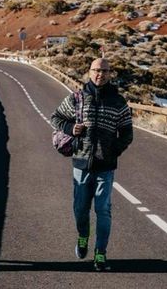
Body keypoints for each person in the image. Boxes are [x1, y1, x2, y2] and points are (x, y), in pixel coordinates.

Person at [51, 58, 133, 271]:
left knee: (103, 210)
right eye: (96, 70)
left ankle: (100, 253)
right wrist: (70, 128)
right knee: (80, 209)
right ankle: (83, 235)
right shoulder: (77, 99)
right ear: (89, 72)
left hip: (105, 166)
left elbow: (127, 132)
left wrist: (115, 149)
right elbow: (56, 117)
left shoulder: (118, 102)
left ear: (110, 74)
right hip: (81, 163)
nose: (100, 74)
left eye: (105, 71)